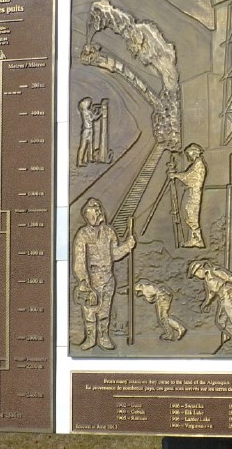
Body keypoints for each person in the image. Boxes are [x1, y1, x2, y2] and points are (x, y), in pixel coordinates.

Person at [72, 198, 136, 351]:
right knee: (89, 312)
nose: (95, 217)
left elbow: (114, 254)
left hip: (108, 278)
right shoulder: (83, 234)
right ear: (86, 216)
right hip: (91, 280)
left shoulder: (109, 232)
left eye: (96, 213)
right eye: (91, 215)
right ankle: (90, 339)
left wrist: (128, 246)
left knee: (104, 311)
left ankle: (104, 337)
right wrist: (83, 280)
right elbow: (79, 260)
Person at [189, 260, 232, 340]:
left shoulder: (214, 271)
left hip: (228, 293)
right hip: (222, 298)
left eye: (196, 274)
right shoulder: (207, 280)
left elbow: (228, 277)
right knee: (222, 320)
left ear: (200, 269)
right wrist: (207, 303)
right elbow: (211, 293)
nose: (197, 276)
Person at [169, 143, 206, 247]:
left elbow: (190, 178)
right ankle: (195, 239)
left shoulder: (199, 165)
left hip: (194, 194)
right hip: (191, 193)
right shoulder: (196, 165)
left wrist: (176, 175)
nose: (188, 158)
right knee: (189, 214)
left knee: (191, 216)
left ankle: (198, 240)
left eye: (189, 155)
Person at [76, 97, 107, 166]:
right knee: (83, 145)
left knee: (90, 144)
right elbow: (93, 118)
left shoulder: (88, 111)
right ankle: (80, 162)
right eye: (88, 103)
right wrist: (100, 113)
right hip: (86, 130)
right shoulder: (85, 112)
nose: (89, 104)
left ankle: (90, 158)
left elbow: (93, 116)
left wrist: (97, 112)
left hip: (90, 129)